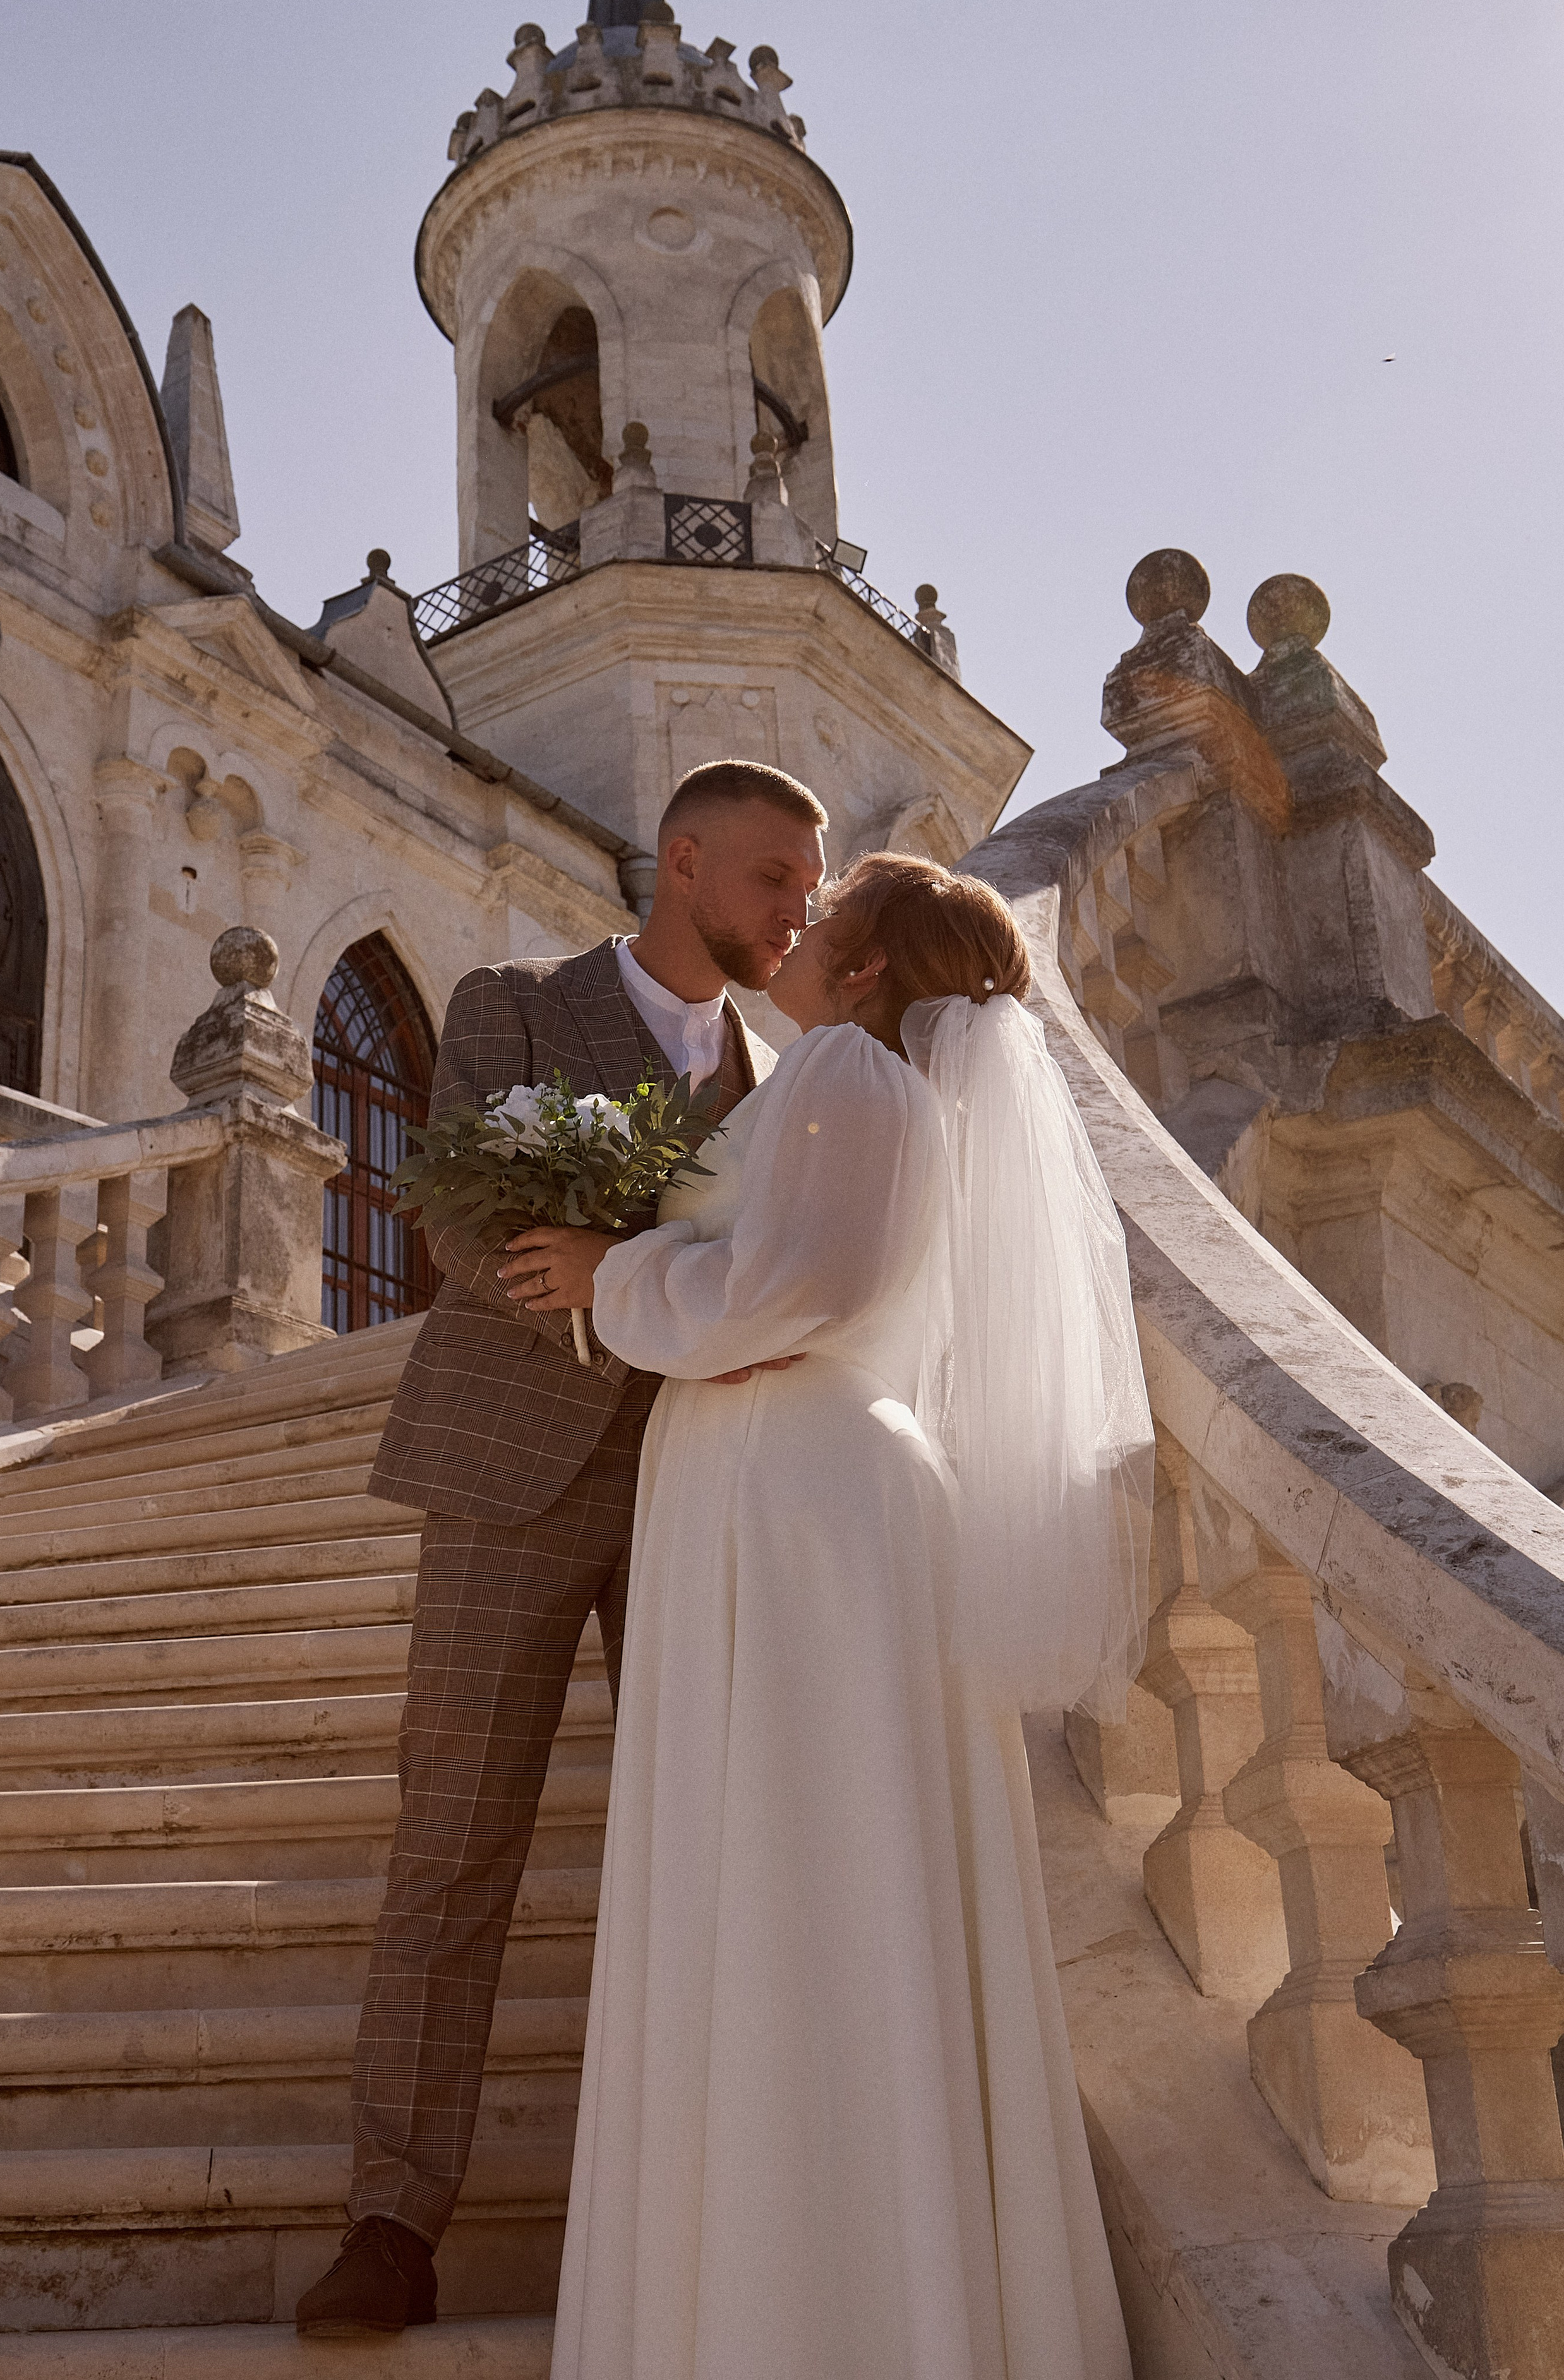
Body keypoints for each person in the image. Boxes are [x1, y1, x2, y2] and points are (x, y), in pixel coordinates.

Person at [500, 852, 1153, 2380]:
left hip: (796, 1495)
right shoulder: (848, 1081)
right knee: (798, 1875)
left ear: (863, 972)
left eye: (822, 915)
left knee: (800, 1879)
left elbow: (788, 1292)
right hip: (783, 1487)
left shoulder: (850, 1075)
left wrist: (613, 1272)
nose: (789, 932)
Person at [295, 760, 827, 2338]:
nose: (797, 907)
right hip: (506, 1468)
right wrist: (610, 1281)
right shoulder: (512, 999)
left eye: (809, 885)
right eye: (772, 879)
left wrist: (670, 1293)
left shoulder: (784, 1073)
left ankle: (711, 2211)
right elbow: (454, 1224)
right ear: (680, 864)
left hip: (696, 1479)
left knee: (709, 1855)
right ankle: (391, 2217)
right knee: (451, 1847)